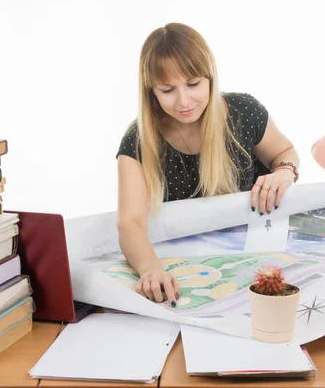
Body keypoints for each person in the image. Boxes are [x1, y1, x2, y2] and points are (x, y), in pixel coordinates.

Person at [116, 23, 300, 306]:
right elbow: (130, 222)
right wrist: (151, 270)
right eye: (167, 89)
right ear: (151, 91)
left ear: (210, 78)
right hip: (189, 262)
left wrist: (284, 172)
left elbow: (284, 152)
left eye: (193, 84)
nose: (184, 101)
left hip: (256, 252)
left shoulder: (244, 111)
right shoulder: (138, 140)